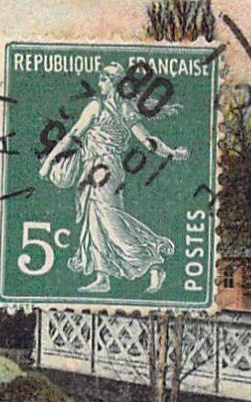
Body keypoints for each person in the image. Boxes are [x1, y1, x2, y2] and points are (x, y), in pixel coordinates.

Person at [38, 61, 189, 295]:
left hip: (102, 169)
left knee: (111, 221)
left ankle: (153, 263)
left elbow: (74, 135)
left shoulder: (96, 107)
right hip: (106, 169)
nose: (99, 83)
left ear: (114, 82)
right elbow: (149, 142)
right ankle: (103, 277)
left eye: (103, 78)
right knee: (95, 221)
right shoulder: (126, 110)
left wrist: (49, 162)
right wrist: (171, 152)